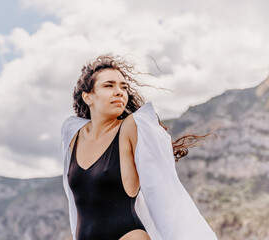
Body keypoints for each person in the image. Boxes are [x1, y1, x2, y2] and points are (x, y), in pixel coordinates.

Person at [60, 54, 218, 240]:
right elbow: (74, 204)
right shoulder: (72, 134)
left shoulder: (132, 127)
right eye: (109, 85)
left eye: (123, 87)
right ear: (88, 97)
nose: (119, 92)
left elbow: (165, 192)